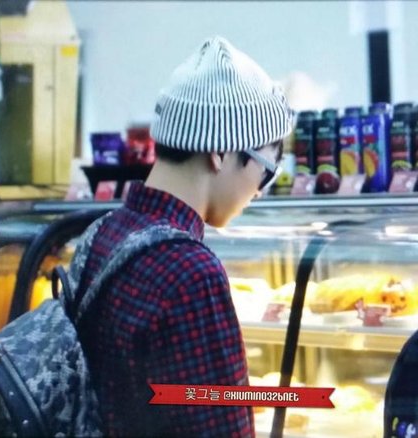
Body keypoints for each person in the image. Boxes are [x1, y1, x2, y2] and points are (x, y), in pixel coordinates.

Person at [76, 35, 294, 437]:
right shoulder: (190, 273)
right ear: (219, 152)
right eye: (265, 170)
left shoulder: (102, 234)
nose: (259, 191)